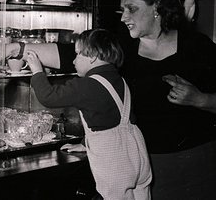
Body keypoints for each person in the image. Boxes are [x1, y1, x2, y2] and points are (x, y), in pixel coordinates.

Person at [0, 0, 216, 200]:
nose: (124, 17)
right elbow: (67, 53)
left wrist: (200, 99)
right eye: (122, 10)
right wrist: (18, 48)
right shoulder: (123, 47)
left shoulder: (196, 46)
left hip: (203, 162)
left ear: (157, 8)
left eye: (132, 9)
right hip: (149, 165)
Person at [26, 29, 152, 199]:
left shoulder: (87, 84)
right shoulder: (119, 80)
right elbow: (109, 119)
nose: (73, 60)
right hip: (138, 155)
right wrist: (86, 144)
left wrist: (37, 72)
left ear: (92, 56)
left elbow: (49, 97)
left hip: (115, 163)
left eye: (78, 54)